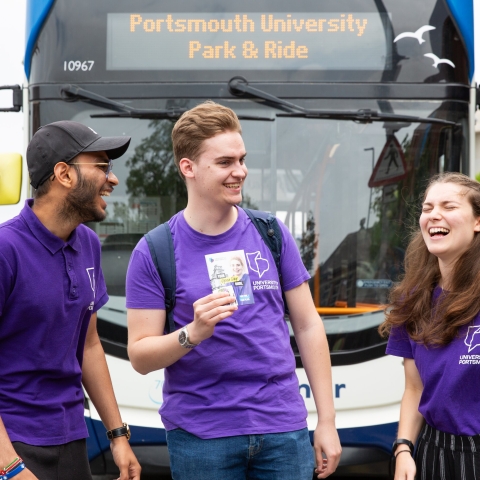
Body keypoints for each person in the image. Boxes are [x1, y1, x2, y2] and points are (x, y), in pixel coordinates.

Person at [126, 101, 341, 479]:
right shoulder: (155, 250)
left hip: (283, 429)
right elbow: (140, 357)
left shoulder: (271, 233)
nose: (239, 172)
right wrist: (192, 334)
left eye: (242, 160)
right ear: (188, 168)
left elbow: (308, 327)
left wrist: (327, 420)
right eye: (225, 163)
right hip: (201, 436)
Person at [0, 121, 141, 480]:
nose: (113, 179)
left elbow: (90, 345)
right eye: (101, 166)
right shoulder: (6, 250)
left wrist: (117, 435)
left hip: (72, 440)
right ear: (63, 173)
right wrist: (9, 466)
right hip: (14, 444)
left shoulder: (89, 245)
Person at [379, 172, 480, 480]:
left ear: (478, 221)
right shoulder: (413, 299)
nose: (434, 215)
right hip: (433, 453)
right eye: (427, 208)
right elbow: (414, 387)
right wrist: (404, 449)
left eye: (449, 206)